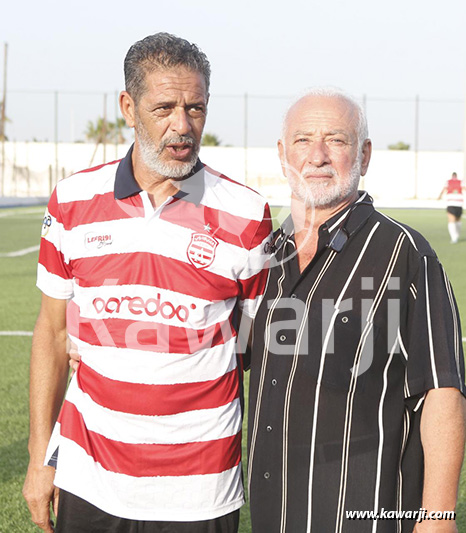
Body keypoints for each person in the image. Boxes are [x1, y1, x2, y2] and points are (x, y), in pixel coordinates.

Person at [22, 32, 271, 533]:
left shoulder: (247, 214)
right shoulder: (71, 201)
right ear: (128, 107)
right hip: (89, 476)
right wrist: (37, 458)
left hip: (201, 486)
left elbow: (252, 346)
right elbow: (51, 334)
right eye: (164, 108)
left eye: (195, 108)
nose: (182, 126)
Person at [247, 88, 466, 533]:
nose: (318, 155)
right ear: (282, 154)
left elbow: (443, 394)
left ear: (364, 155)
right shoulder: (264, 257)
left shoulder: (405, 254)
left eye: (337, 140)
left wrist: (437, 519)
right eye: (303, 140)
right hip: (275, 513)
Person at [438, 172, 465, 244]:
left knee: (452, 220)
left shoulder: (448, 182)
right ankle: (455, 236)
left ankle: (454, 237)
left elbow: (444, 189)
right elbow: (464, 189)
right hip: (459, 203)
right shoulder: (461, 182)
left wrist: (439, 196)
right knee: (457, 220)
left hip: (451, 202)